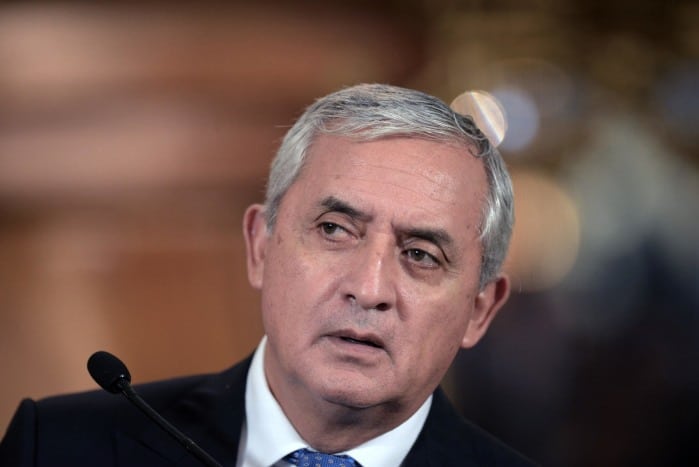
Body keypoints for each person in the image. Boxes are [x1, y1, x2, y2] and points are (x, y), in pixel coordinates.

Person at [0, 84, 536, 466]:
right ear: (259, 246)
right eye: (334, 229)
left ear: (480, 309)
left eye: (420, 255)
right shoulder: (58, 447)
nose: (369, 288)